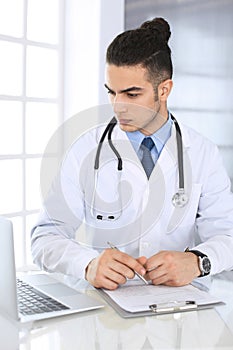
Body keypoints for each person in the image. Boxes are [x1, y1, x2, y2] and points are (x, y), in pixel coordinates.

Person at [31, 17, 233, 290]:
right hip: (104, 313)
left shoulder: (202, 153)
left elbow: (227, 235)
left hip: (181, 310)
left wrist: (197, 262)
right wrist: (87, 264)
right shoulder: (85, 149)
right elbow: (45, 237)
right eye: (112, 93)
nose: (118, 106)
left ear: (164, 89)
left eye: (132, 94)